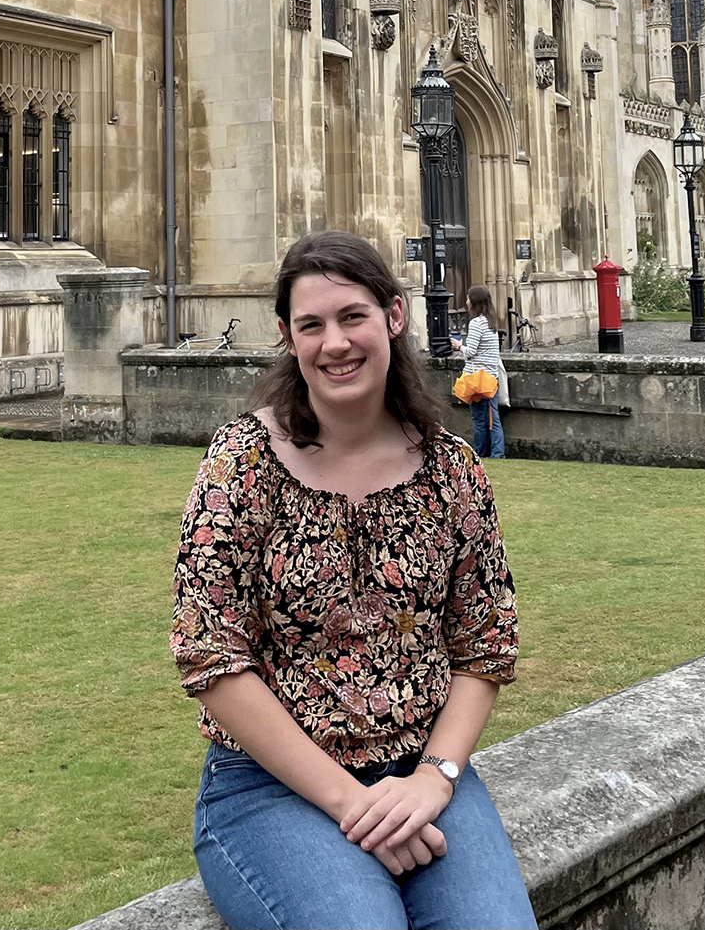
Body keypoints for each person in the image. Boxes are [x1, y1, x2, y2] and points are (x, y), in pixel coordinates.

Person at [171, 230, 537, 930]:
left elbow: (485, 642)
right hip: (269, 786)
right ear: (287, 336)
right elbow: (209, 652)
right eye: (311, 324)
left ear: (393, 316)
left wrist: (435, 777)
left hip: (422, 771)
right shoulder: (242, 461)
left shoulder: (450, 467)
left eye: (352, 316)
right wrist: (352, 802)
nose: (334, 341)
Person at [456, 285, 506, 460]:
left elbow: (471, 352)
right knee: (493, 417)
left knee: (479, 419)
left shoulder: (476, 323)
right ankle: (497, 453)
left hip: (478, 378)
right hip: (491, 377)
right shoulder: (490, 321)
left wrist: (458, 346)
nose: (466, 301)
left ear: (474, 301)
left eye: (469, 298)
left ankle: (482, 452)